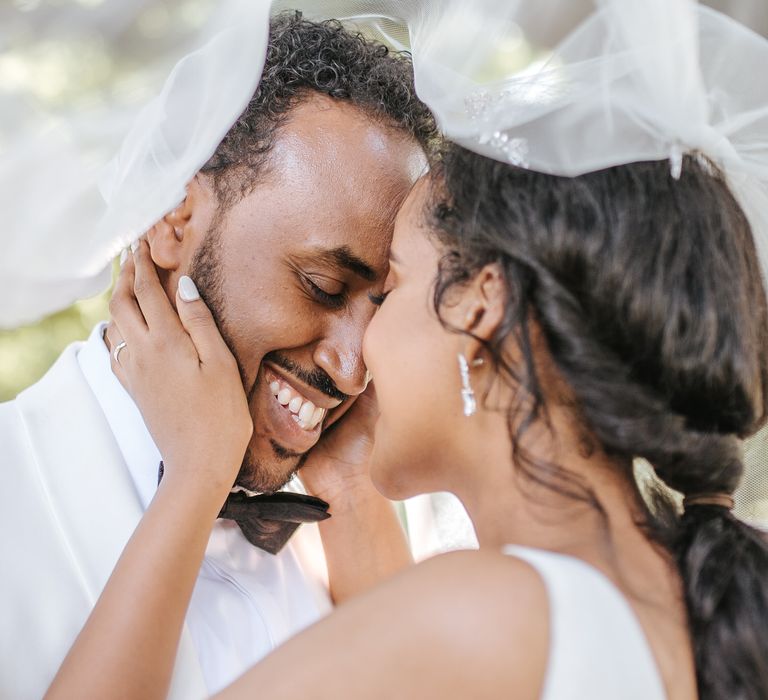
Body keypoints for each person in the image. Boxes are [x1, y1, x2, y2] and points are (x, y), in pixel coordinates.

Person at [47, 143, 768, 699]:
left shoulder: (491, 610)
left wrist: (197, 472)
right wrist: (352, 483)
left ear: (479, 307)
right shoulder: (686, 599)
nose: (356, 363)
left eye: (388, 289)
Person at [0, 13, 437, 699]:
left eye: (382, 306)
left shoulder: (345, 547)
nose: (354, 368)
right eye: (323, 286)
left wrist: (354, 487)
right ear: (175, 218)